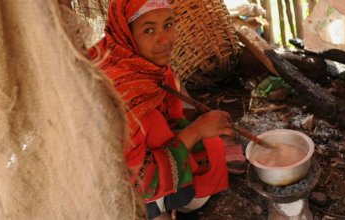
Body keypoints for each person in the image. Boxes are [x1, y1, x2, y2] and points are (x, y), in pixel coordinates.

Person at [89, 0, 244, 219]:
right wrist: (197, 130)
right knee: (155, 124)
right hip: (116, 190)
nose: (165, 40)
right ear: (126, 32)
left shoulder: (143, 64)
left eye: (168, 25)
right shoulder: (119, 91)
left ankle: (168, 202)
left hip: (146, 161)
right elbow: (134, 179)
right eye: (149, 30)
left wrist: (206, 124)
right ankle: (155, 210)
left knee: (213, 146)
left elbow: (178, 108)